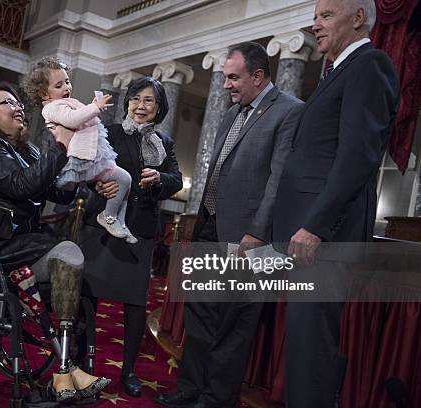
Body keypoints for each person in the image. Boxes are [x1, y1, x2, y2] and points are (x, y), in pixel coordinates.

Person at [155, 42, 305, 408]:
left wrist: (256, 232)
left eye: (234, 77)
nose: (226, 85)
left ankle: (215, 399)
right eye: (225, 77)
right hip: (210, 227)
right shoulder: (229, 113)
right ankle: (190, 389)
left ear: (258, 75)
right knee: (201, 315)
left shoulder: (290, 111)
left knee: (233, 325)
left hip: (251, 239)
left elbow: (278, 179)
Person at [272, 1, 400, 407]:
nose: (316, 25)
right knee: (304, 347)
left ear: (358, 18)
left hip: (323, 238)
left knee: (312, 350)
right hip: (309, 235)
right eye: (315, 17)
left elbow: (357, 156)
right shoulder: (337, 71)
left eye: (325, 16)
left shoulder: (370, 65)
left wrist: (315, 226)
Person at [0, 83, 110, 402]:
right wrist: (61, 144)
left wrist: (92, 180)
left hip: (16, 243)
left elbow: (58, 191)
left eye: (19, 101)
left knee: (74, 266)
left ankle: (66, 369)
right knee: (67, 253)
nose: (19, 106)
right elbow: (23, 186)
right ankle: (66, 367)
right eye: (8, 102)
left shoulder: (26, 151)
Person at [78, 76, 183, 397]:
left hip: (139, 229)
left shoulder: (164, 143)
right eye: (136, 98)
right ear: (128, 102)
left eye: (149, 100)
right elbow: (84, 167)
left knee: (135, 303)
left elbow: (176, 179)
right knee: (88, 296)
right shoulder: (108, 132)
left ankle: (129, 372)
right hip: (100, 226)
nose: (141, 105)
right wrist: (96, 183)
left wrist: (160, 178)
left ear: (159, 108)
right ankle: (83, 363)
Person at [23, 57, 138, 243]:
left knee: (124, 183)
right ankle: (108, 217)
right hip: (84, 157)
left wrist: (92, 106)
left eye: (67, 81)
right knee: (124, 179)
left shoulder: (65, 103)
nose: (67, 87)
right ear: (45, 94)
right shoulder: (52, 108)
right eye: (59, 85)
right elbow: (72, 119)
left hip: (92, 153)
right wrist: (94, 107)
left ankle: (118, 221)